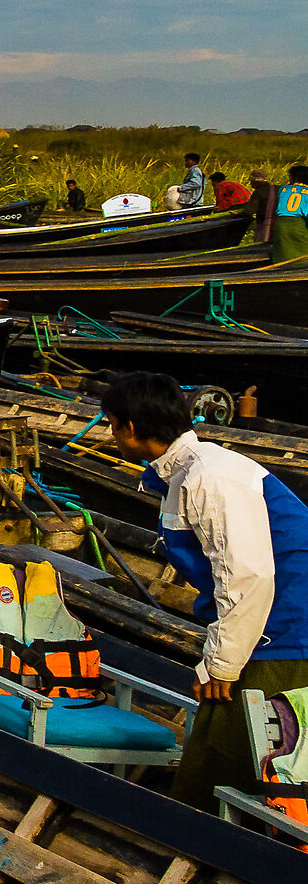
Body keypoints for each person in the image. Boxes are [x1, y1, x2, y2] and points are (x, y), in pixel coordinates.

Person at [101, 372, 308, 810]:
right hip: (265, 621)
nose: (112, 434)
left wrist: (223, 665)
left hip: (285, 625)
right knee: (233, 738)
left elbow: (247, 575)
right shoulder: (187, 473)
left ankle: (212, 839)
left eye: (112, 424)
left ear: (131, 427)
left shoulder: (211, 477)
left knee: (240, 745)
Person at [275, 165, 308, 263]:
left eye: (290, 177)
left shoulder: (283, 189)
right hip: (299, 224)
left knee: (282, 253)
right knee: (302, 255)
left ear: (296, 177)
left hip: (281, 225)